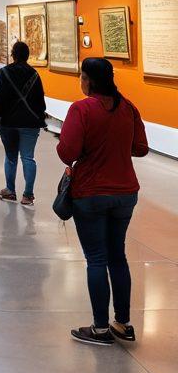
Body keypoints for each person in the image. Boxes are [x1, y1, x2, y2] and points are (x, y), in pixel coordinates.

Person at [57, 56, 148, 347]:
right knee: (117, 256)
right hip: (125, 193)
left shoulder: (81, 109)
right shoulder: (129, 108)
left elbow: (67, 150)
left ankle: (98, 329)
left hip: (91, 193)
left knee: (96, 259)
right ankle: (123, 323)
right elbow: (141, 148)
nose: (80, 81)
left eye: (81, 76)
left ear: (89, 80)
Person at [0, 39, 47, 207]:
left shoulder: (4, 72)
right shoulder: (35, 74)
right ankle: (28, 195)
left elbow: (0, 97)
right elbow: (40, 102)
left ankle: (10, 190)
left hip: (9, 122)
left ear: (13, 55)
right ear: (27, 56)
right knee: (28, 157)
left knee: (11, 158)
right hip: (30, 123)